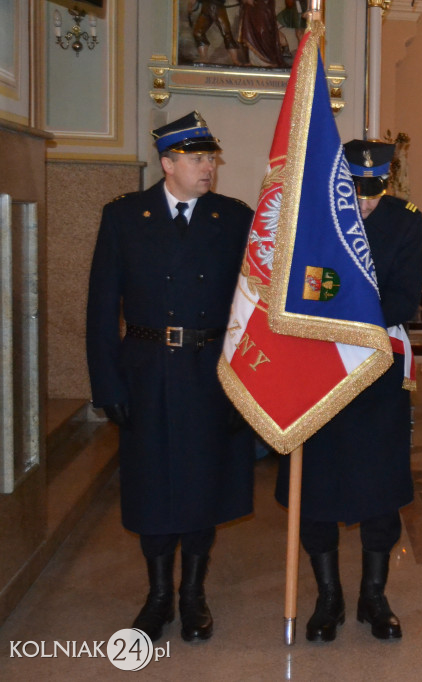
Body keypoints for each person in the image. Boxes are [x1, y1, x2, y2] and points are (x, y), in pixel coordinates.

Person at [85, 111, 255, 643]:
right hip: (146, 370)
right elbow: (99, 309)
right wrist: (107, 386)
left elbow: (250, 306)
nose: (210, 167)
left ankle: (193, 594)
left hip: (210, 371)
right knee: (153, 486)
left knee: (204, 483)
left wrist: (243, 384)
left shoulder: (233, 218)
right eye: (199, 159)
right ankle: (159, 594)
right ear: (168, 163)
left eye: (211, 158)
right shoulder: (124, 216)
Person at [274, 140, 422, 643]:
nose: (364, 201)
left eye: (374, 189)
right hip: (319, 371)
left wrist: (343, 313)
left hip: (376, 374)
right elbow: (300, 288)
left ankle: (373, 597)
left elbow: (403, 299)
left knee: (379, 489)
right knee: (316, 487)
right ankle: (329, 598)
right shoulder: (315, 216)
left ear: (388, 181)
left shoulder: (405, 221)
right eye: (355, 190)